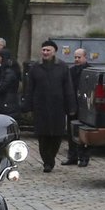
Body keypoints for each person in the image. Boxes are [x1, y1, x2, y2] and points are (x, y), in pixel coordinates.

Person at [23, 38, 76, 173]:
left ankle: (51, 157)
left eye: (48, 50)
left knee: (57, 135)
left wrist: (71, 108)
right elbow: (29, 88)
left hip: (58, 106)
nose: (45, 52)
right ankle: (47, 161)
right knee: (43, 135)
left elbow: (68, 88)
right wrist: (28, 106)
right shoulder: (35, 67)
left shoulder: (63, 67)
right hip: (40, 106)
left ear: (54, 52)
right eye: (44, 50)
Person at [63, 47, 90, 166]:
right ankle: (72, 156)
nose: (77, 59)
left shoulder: (89, 71)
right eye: (75, 57)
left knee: (83, 134)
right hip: (72, 105)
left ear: (85, 57)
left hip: (85, 107)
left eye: (79, 57)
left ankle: (84, 157)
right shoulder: (71, 71)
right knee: (71, 133)